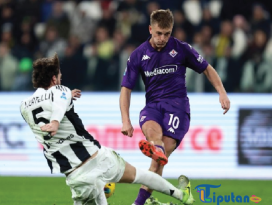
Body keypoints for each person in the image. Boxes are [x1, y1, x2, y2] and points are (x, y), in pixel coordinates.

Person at [20, 53, 195, 205]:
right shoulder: (59, 91)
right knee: (142, 176)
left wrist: (67, 98)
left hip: (74, 176)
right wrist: (57, 120)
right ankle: (181, 195)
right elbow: (59, 97)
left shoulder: (24, 106)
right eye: (59, 76)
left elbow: (55, 100)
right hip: (97, 160)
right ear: (53, 79)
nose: (60, 80)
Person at [119, 9, 230, 205]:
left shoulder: (181, 49)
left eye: (167, 33)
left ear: (171, 31)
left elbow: (207, 69)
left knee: (159, 159)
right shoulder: (138, 55)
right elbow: (126, 89)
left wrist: (221, 92)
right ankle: (155, 151)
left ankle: (144, 191)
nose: (162, 38)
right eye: (159, 33)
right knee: (155, 141)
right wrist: (125, 120)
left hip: (177, 108)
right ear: (150, 29)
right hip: (152, 106)